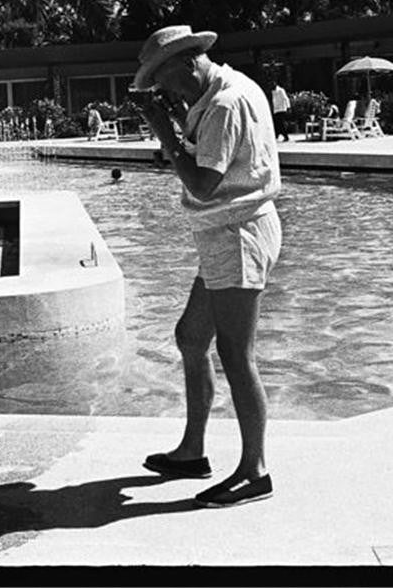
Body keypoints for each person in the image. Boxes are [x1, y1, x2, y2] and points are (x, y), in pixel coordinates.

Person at [130, 25, 281, 508]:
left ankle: (254, 471)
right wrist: (176, 121)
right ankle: (192, 452)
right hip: (225, 234)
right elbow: (214, 154)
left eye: (166, 79)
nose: (166, 90)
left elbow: (202, 184)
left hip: (238, 235)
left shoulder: (224, 104)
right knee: (192, 338)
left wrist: (163, 131)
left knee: (236, 354)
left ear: (188, 61)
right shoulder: (220, 92)